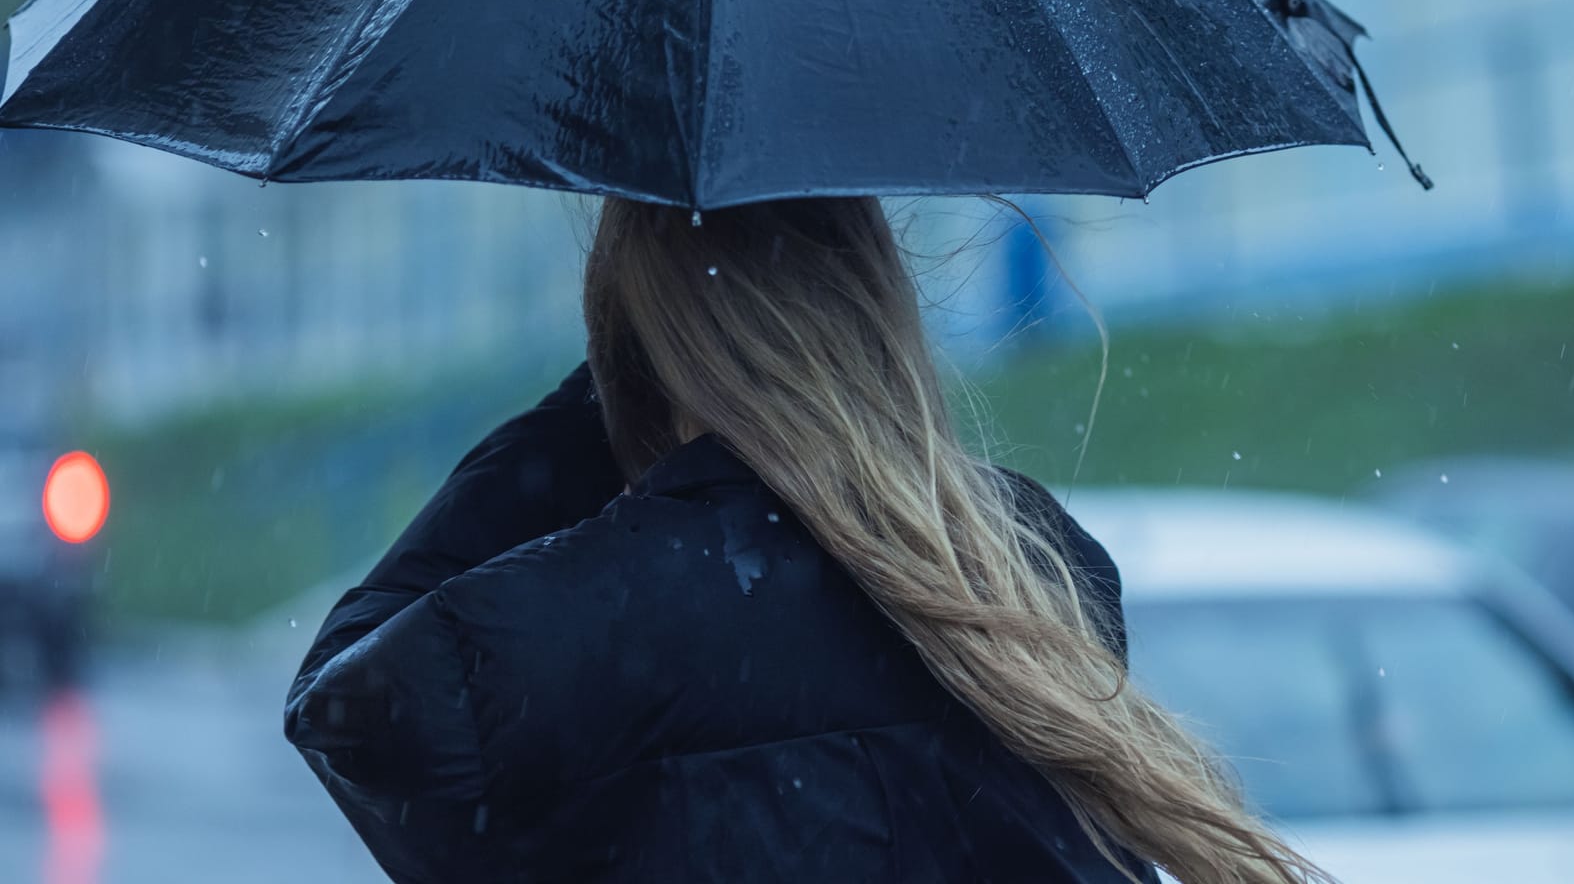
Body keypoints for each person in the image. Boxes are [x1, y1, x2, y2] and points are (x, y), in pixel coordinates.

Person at [286, 197, 1318, 884]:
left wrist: (601, 394)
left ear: (643, 338)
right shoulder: (1039, 563)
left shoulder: (597, 621)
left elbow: (348, 706)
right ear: (879, 305)